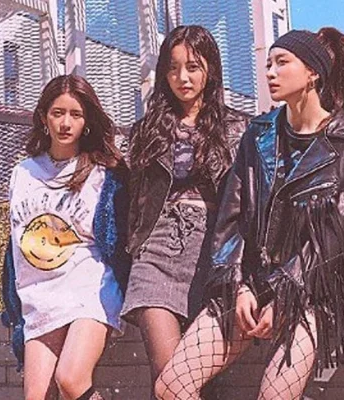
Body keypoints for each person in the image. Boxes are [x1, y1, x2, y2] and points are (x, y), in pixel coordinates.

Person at [155, 27, 344, 400]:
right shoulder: (258, 134)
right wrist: (239, 285)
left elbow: (332, 241)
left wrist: (286, 294)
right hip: (250, 286)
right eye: (268, 64)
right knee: (171, 386)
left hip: (311, 293)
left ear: (312, 72)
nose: (270, 73)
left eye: (281, 63)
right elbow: (232, 218)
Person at [121, 25, 247, 388]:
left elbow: (246, 203)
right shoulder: (146, 130)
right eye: (173, 68)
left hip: (212, 250)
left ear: (211, 70)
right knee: (167, 374)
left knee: (186, 380)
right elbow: (132, 200)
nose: (183, 78)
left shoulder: (239, 128)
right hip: (156, 250)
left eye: (193, 67)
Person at [1, 74, 131, 400]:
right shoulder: (23, 173)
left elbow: (120, 238)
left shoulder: (103, 173)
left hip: (88, 289)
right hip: (39, 296)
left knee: (71, 379)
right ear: (44, 117)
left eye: (76, 114)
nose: (65, 123)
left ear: (87, 122)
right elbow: (15, 242)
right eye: (58, 113)